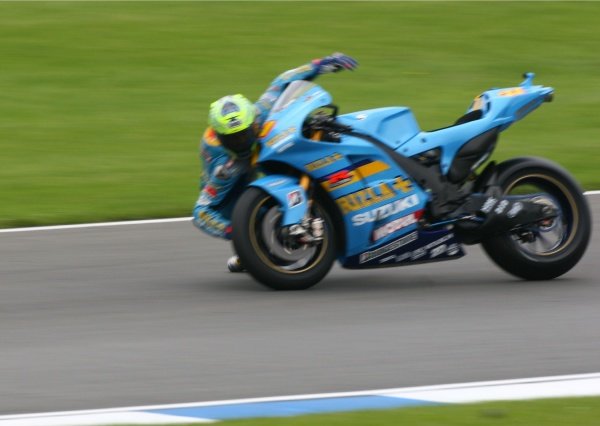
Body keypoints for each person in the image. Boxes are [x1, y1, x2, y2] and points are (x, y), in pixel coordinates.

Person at [193, 53, 358, 272]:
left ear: (252, 119)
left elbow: (282, 81)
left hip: (258, 159)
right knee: (256, 214)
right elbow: (201, 211)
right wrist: (236, 232)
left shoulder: (259, 112)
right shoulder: (225, 166)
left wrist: (319, 65)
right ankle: (253, 250)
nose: (241, 142)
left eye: (244, 134)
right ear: (219, 135)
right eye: (232, 139)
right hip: (230, 188)